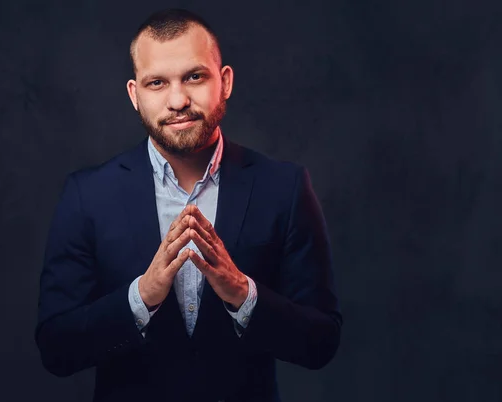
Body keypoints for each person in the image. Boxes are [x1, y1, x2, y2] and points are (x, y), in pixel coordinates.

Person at [35, 8, 342, 402]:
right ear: (134, 94)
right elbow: (56, 350)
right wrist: (141, 297)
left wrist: (241, 292)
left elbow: (321, 342)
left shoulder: (284, 187)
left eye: (194, 77)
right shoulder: (87, 195)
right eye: (156, 83)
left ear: (225, 82)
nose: (178, 100)